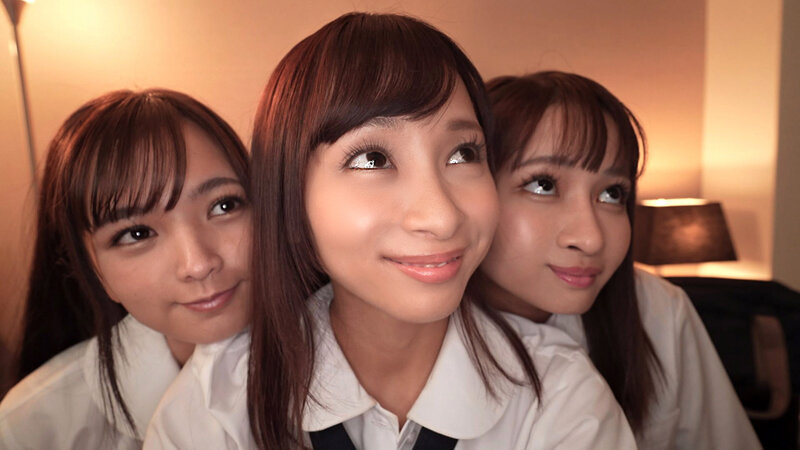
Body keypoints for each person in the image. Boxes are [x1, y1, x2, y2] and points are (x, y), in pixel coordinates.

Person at [145, 13, 635, 450]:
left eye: (463, 153)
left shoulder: (561, 396)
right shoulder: (215, 406)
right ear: (289, 195)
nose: (442, 217)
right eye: (372, 159)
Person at [474, 71, 761, 449]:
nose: (591, 238)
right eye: (543, 185)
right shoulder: (422, 334)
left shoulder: (656, 309)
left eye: (612, 193)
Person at [0, 88, 252, 449]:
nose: (198, 264)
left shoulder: (335, 354)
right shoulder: (31, 426)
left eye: (224, 206)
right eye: (138, 234)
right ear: (91, 269)